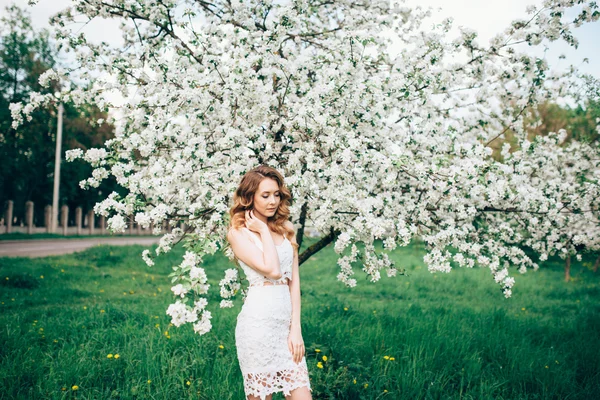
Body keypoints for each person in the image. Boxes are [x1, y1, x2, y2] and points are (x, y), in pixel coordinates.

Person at [226, 165, 313, 400]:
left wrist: (296, 329)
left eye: (276, 194)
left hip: (286, 328)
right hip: (258, 327)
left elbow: (293, 282)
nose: (273, 201)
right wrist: (263, 230)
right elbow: (273, 270)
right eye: (265, 195)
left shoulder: (286, 229)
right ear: (249, 197)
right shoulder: (238, 233)